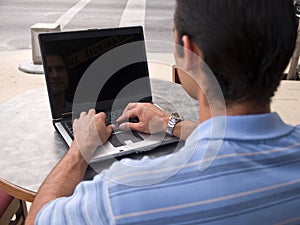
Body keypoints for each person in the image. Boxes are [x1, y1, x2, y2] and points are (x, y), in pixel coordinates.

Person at [26, 0, 300, 224]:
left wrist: (80, 149)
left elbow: (37, 219)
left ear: (190, 53)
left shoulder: (120, 196)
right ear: (287, 54)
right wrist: (170, 124)